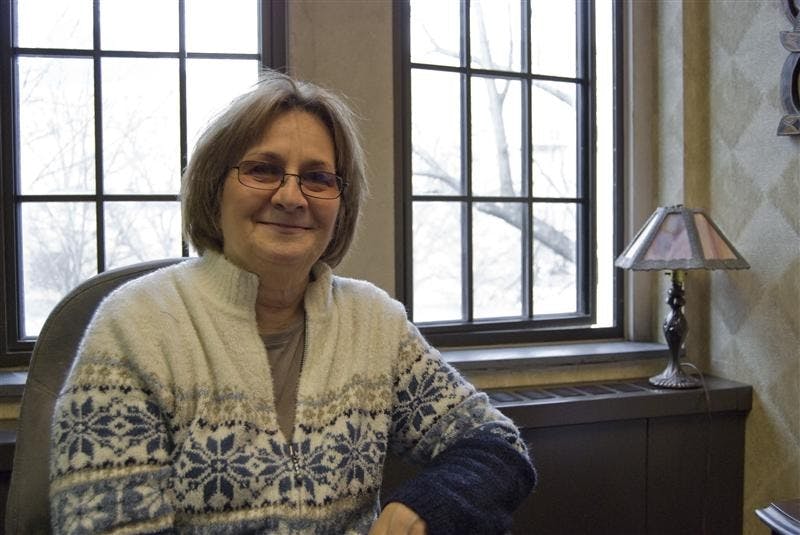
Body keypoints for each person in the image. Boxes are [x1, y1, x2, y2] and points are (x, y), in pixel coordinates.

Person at [49, 70, 536, 534]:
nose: (291, 196)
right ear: (214, 188)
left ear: (340, 202)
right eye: (263, 170)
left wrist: (431, 503)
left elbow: (496, 443)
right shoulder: (135, 328)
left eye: (318, 178)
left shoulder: (374, 324)